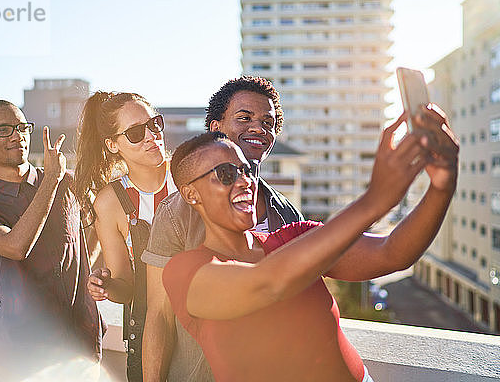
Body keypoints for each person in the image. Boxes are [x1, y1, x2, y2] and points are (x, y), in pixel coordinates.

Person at [163, 105, 458, 381]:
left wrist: (442, 186)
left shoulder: (296, 237)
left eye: (246, 170)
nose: (245, 182)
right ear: (191, 195)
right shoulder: (185, 270)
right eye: (226, 174)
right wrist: (375, 200)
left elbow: (392, 254)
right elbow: (268, 283)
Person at [141, 76, 302, 381]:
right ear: (216, 129)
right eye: (245, 118)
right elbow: (159, 315)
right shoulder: (176, 213)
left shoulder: (287, 213)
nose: (259, 128)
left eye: (268, 122)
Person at [0, 100, 102, 381]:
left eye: (22, 127)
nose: (17, 136)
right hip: (19, 350)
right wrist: (50, 181)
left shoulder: (68, 183)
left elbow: (99, 225)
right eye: (3, 130)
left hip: (80, 342)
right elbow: (15, 247)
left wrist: (88, 269)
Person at [74, 91, 177, 381]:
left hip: (203, 325)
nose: (151, 136)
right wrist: (105, 285)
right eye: (135, 132)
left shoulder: (187, 175)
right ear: (113, 144)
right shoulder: (110, 202)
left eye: (155, 124)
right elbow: (126, 288)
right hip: (148, 336)